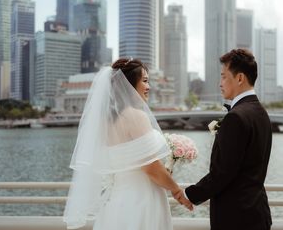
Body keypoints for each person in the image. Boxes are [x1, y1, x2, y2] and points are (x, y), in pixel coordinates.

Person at [63, 58, 192, 230]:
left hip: (116, 200)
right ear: (129, 84)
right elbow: (150, 167)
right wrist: (177, 191)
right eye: (145, 81)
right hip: (141, 199)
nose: (149, 87)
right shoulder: (135, 116)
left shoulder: (105, 122)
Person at [178, 49, 272, 230]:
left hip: (235, 218)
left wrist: (189, 195)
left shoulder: (236, 117)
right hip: (257, 214)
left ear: (239, 78)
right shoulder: (261, 113)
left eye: (223, 77)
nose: (220, 83)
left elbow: (223, 173)